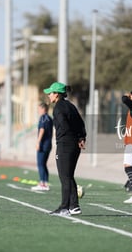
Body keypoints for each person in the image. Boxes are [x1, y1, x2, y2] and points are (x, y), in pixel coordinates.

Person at [43, 82, 86, 216]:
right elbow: (81, 123)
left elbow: (64, 126)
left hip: (65, 145)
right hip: (74, 145)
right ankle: (74, 206)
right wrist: (81, 137)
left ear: (56, 94)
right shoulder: (70, 106)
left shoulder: (58, 108)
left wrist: (64, 139)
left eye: (50, 93)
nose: (49, 95)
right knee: (69, 176)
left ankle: (64, 207)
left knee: (64, 177)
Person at [31, 102, 53, 191]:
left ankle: (42, 183)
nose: (38, 110)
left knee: (40, 164)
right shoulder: (50, 118)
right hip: (48, 144)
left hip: (43, 144)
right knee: (44, 164)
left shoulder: (43, 118)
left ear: (43, 109)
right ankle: (45, 182)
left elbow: (42, 130)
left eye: (39, 109)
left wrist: (38, 142)